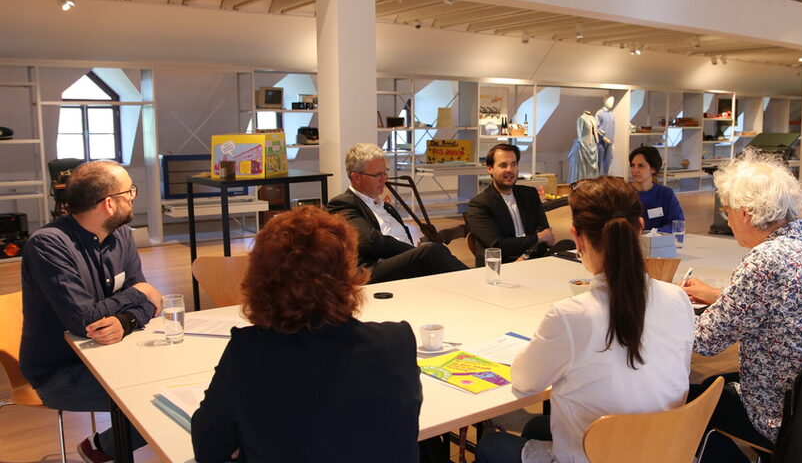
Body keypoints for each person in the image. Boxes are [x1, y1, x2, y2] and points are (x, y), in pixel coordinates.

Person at [476, 176, 694, 463]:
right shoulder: (678, 299)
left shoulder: (571, 315)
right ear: (640, 227)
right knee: (534, 426)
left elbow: (525, 381)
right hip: (662, 450)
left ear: (576, 236)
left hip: (595, 455)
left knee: (491, 445)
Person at [191, 206, 422, 462]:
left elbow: (208, 449)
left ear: (260, 279)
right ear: (347, 275)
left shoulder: (247, 354)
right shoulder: (397, 342)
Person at [682, 152, 802, 462]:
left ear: (745, 214)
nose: (726, 220)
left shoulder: (765, 261)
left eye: (726, 211)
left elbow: (705, 341)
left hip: (791, 415)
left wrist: (662, 310)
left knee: (692, 401)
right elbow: (781, 307)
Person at [19, 160, 161, 463]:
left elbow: (152, 303)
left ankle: (103, 446)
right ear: (110, 204)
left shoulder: (121, 235)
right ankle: (106, 448)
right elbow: (84, 321)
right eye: (130, 192)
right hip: (62, 372)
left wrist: (127, 320)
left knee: (186, 383)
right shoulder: (48, 245)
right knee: (156, 396)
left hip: (114, 353)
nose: (133, 197)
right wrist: (137, 294)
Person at [327, 143, 467, 283]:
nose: (384, 179)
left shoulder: (387, 207)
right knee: (432, 252)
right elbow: (372, 242)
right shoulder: (342, 204)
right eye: (377, 175)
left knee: (437, 256)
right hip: (371, 271)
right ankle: (472, 280)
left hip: (401, 263)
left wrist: (415, 253)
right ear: (356, 177)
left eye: (385, 173)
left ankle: (468, 282)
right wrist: (413, 252)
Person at [466, 144, 557, 267]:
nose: (510, 169)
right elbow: (498, 246)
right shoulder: (479, 204)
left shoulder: (530, 194)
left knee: (568, 246)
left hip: (532, 259)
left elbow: (545, 232)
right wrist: (539, 237)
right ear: (490, 169)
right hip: (503, 266)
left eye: (513, 164)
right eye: (503, 165)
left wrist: (526, 255)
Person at [628, 146, 684, 232]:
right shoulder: (623, 193)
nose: (635, 170)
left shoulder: (666, 193)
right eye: (632, 165)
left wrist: (653, 234)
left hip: (658, 241)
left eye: (640, 166)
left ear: (653, 169)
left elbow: (677, 224)